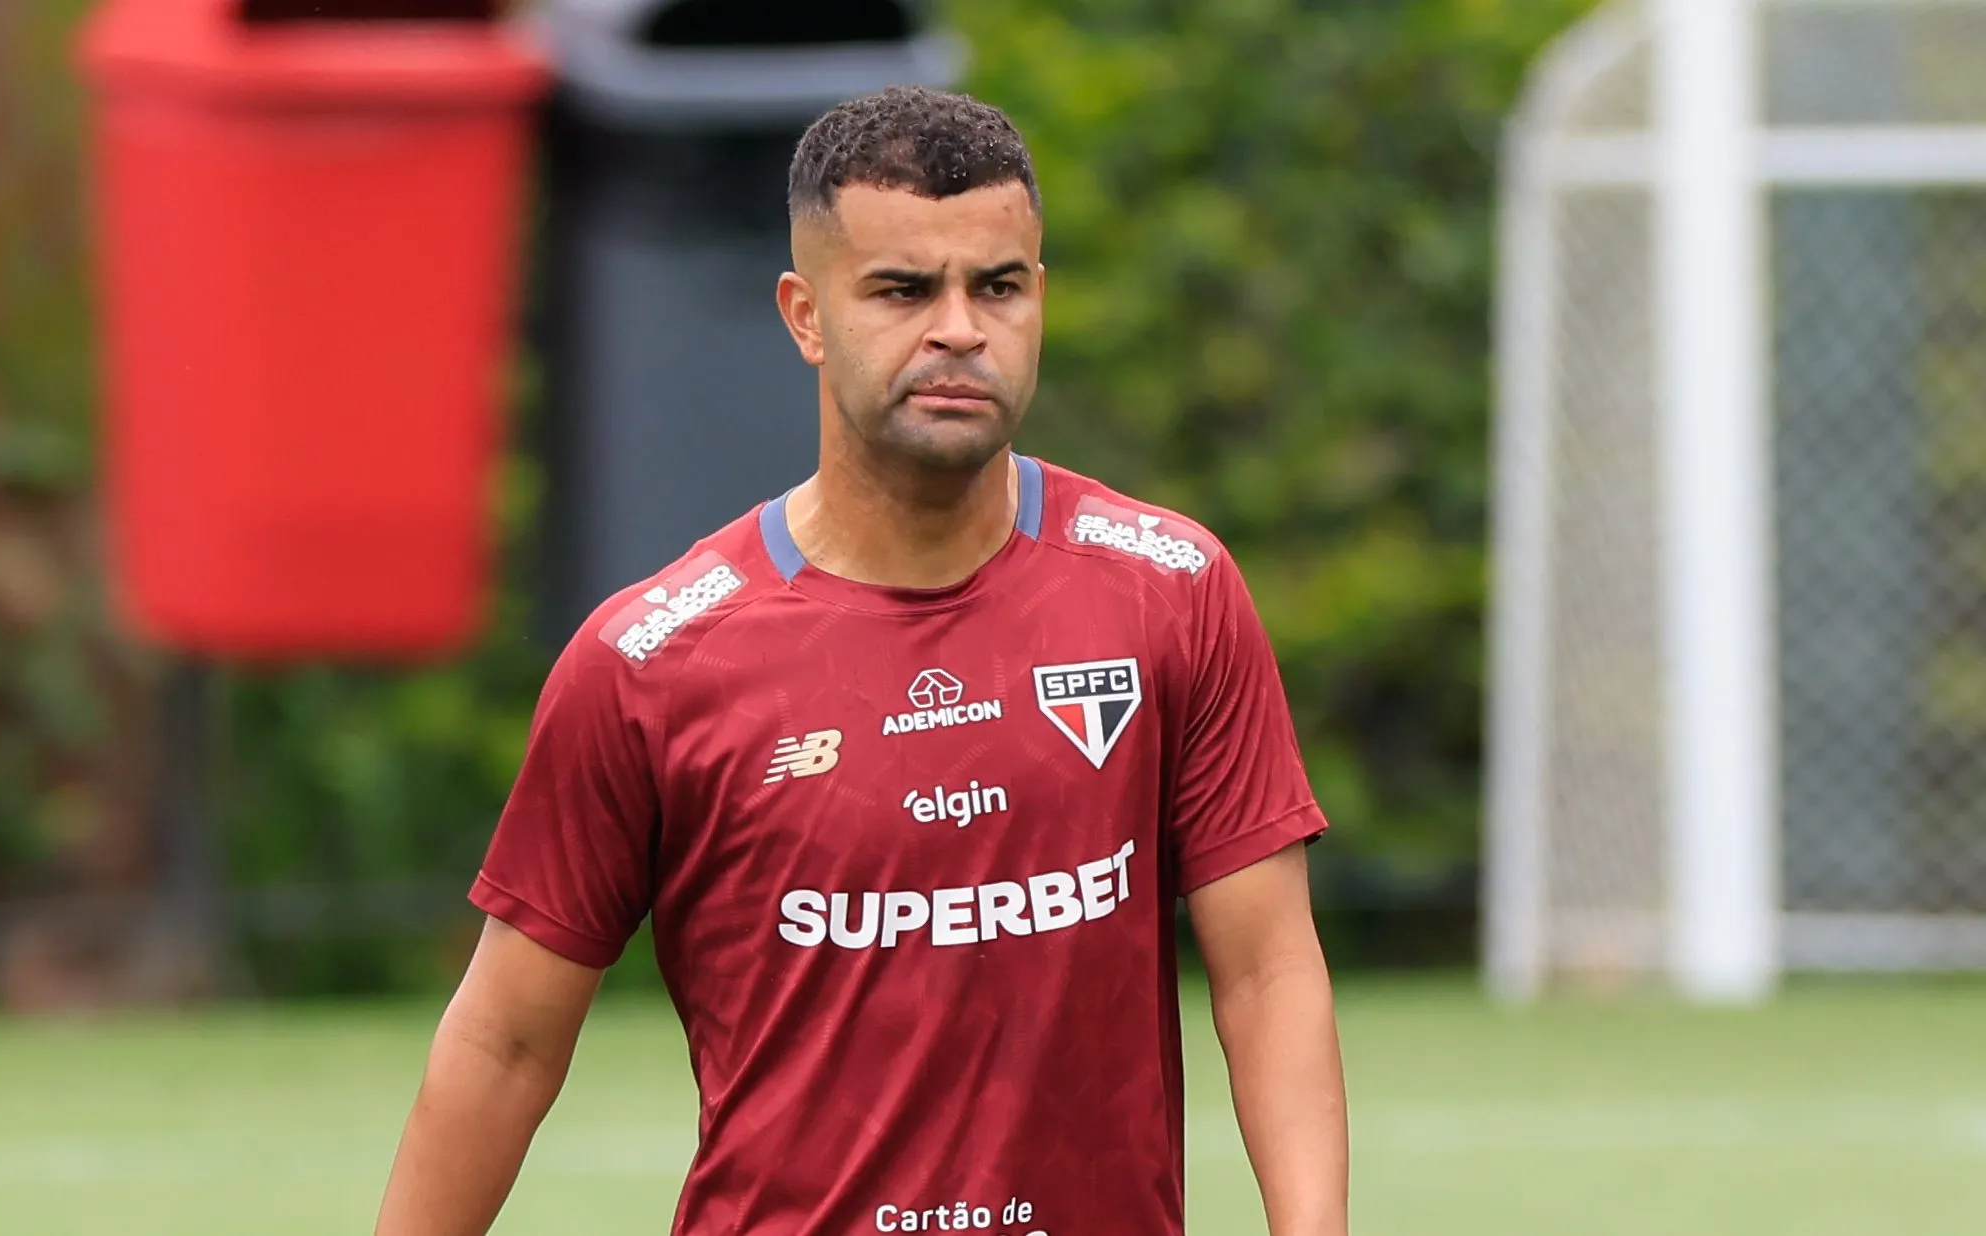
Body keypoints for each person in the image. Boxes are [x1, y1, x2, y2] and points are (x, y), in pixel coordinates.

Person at [376, 85, 1348, 1236]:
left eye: (996, 286)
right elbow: (505, 1041)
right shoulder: (651, 662)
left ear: (1038, 299)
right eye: (900, 289)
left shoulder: (1167, 591)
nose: (957, 330)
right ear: (804, 314)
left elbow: (1267, 976)